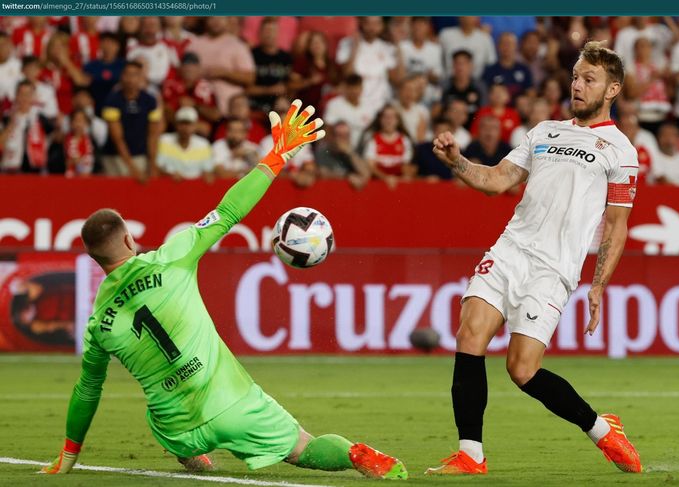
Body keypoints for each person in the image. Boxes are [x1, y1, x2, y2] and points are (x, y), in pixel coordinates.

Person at [41, 100, 408, 481]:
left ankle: (192, 455)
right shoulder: (172, 257)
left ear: (95, 259)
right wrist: (277, 155)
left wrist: (69, 456)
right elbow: (230, 209)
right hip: (234, 405)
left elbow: (87, 392)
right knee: (303, 448)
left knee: (155, 412)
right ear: (130, 239)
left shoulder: (99, 322)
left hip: (176, 425)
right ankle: (357, 455)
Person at [427, 41, 642, 475]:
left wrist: (598, 284)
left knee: (522, 369)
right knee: (470, 334)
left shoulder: (621, 151)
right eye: (576, 76)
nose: (578, 86)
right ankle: (471, 455)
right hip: (511, 250)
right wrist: (457, 161)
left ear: (613, 89)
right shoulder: (544, 132)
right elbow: (496, 181)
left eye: (589, 79)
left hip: (554, 269)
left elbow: (617, 225)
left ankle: (601, 429)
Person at [101, 60, 161, 180]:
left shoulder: (150, 100)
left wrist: (152, 162)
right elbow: (117, 138)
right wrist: (132, 168)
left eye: (134, 74)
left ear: (141, 77)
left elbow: (153, 134)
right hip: (115, 157)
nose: (130, 79)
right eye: (127, 74)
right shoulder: (112, 101)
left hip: (140, 155)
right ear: (122, 76)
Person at [156, 106, 214, 182]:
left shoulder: (203, 145)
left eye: (188, 124)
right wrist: (169, 175)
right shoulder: (164, 141)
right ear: (176, 125)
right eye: (181, 123)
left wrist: (207, 176)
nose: (185, 128)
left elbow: (208, 172)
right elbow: (156, 167)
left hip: (195, 189)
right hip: (170, 186)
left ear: (195, 126)